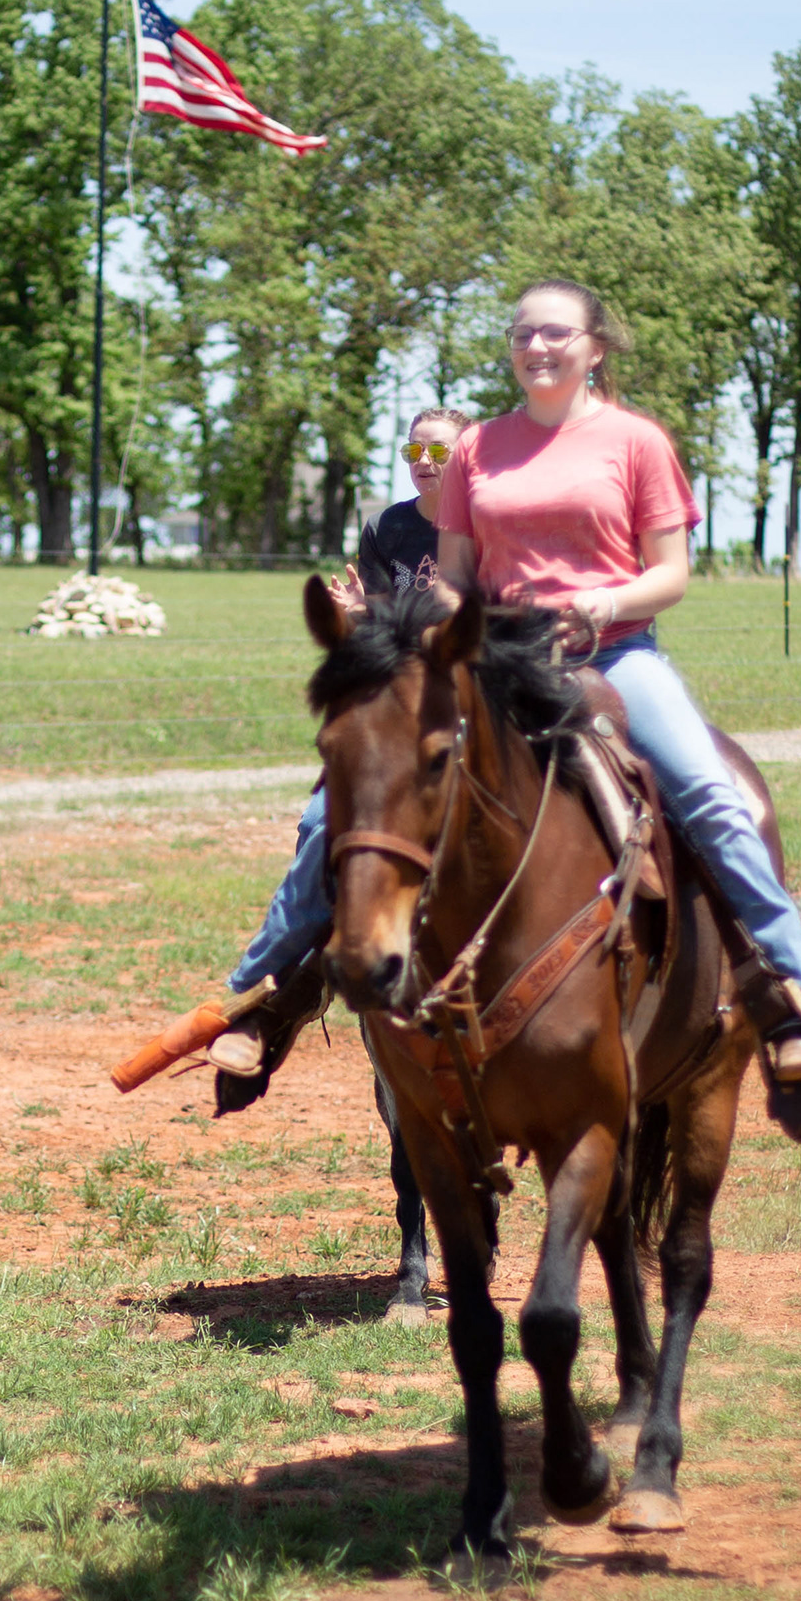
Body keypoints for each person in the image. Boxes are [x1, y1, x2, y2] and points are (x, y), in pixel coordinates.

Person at [429, 279, 801, 1086]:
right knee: (356, 794)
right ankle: (272, 994)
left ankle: (794, 1005)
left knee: (712, 799)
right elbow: (454, 577)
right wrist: (461, 628)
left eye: (556, 333)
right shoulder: (475, 447)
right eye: (522, 333)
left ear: (595, 348)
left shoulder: (636, 441)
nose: (536, 347)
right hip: (502, 662)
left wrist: (603, 603)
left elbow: (670, 574)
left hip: (616, 657)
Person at [208, 403, 472, 1098]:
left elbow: (478, 619)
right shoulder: (388, 528)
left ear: (468, 457)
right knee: (324, 822)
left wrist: (383, 615)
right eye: (414, 451)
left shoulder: (489, 521)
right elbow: (386, 642)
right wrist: (359, 621)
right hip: (402, 706)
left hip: (469, 700)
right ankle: (260, 1002)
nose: (425, 463)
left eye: (441, 453)